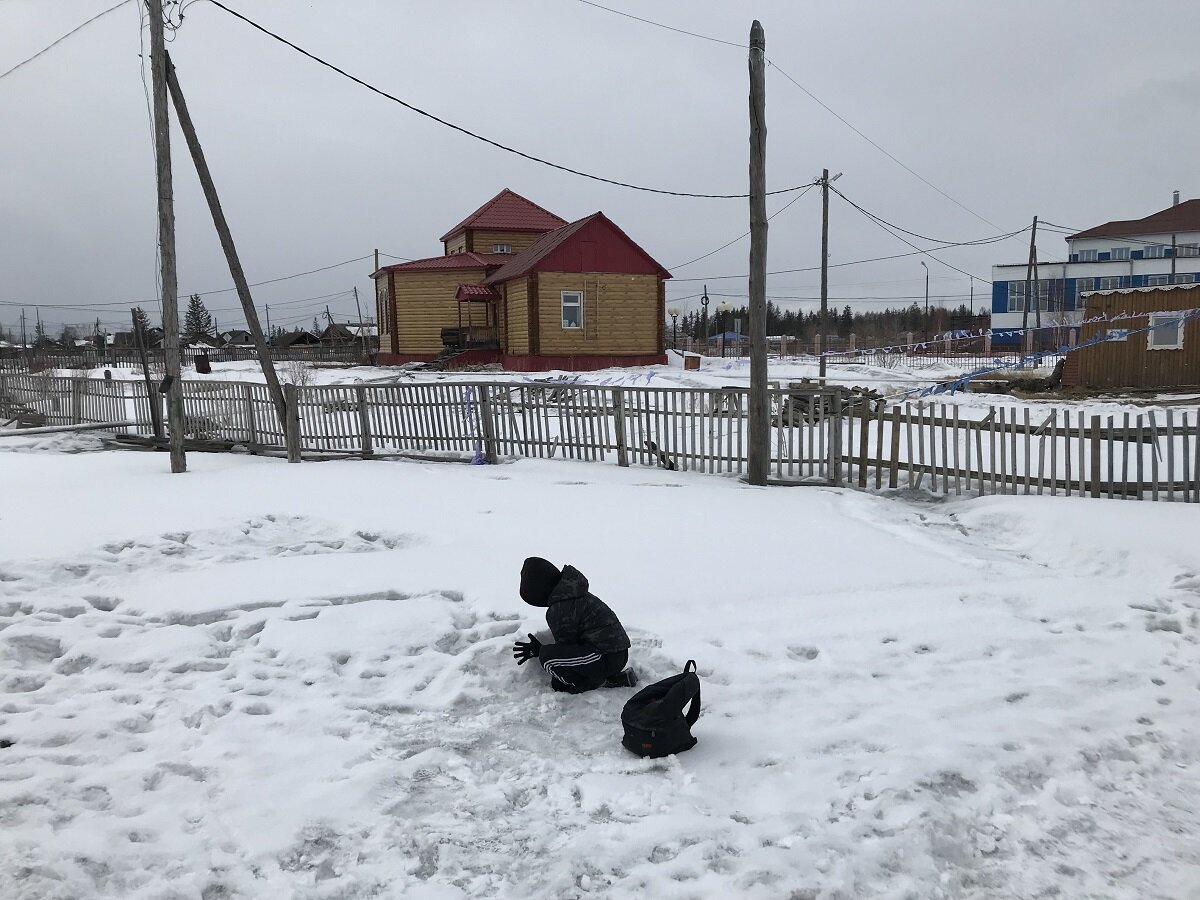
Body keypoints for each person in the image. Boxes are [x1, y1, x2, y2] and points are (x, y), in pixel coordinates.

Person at [512, 557, 637, 693]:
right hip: (616, 654)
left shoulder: (560, 609)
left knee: (550, 663)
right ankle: (608, 677)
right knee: (552, 661)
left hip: (607, 657)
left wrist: (541, 651)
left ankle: (604, 682)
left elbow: (566, 648)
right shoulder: (573, 594)